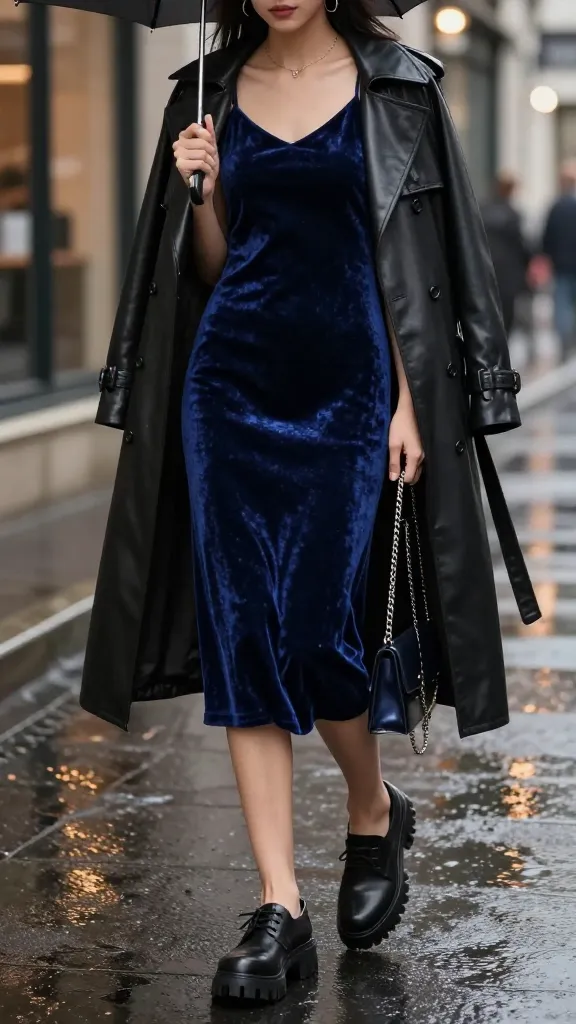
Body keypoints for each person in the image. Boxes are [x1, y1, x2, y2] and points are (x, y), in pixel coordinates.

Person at [80, 0, 540, 1006]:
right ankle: (278, 905)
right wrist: (197, 188)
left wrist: (411, 404)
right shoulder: (200, 95)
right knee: (245, 630)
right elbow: (212, 265)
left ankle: (373, 809)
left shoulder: (401, 87)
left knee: (316, 631)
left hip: (353, 391)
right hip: (228, 388)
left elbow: (420, 268)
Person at [481, 172, 531, 337]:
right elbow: (522, 245)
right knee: (507, 311)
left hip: (485, 267)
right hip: (508, 272)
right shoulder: (513, 215)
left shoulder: (482, 210)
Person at [542, 162, 576, 356]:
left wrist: (548, 256)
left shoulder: (556, 207)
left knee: (562, 307)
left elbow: (547, 238)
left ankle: (566, 345)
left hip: (561, 265)